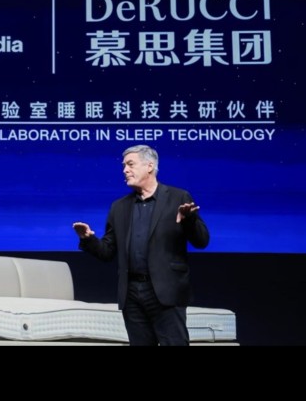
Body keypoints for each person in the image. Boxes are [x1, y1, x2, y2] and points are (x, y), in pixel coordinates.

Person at [72, 144, 209, 346]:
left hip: (166, 291)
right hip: (132, 294)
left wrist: (189, 221)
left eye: (130, 164)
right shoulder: (119, 207)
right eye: (124, 166)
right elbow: (107, 252)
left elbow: (202, 241)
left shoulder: (178, 198)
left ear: (149, 166)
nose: (125, 170)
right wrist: (88, 239)